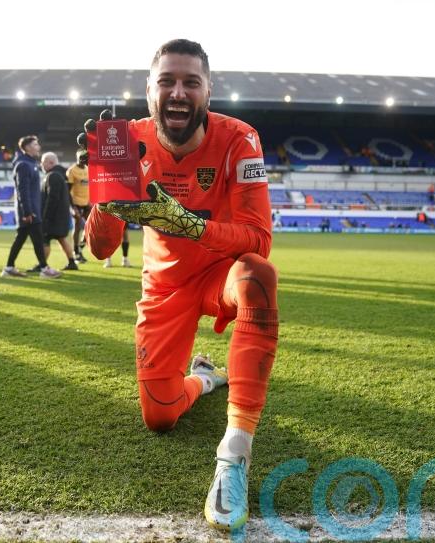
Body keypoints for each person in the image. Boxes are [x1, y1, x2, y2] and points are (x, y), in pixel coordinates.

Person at [79, 39, 278, 531]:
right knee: (160, 417)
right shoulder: (126, 140)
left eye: (191, 82)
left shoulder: (240, 139)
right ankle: (205, 378)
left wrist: (188, 224)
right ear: (149, 90)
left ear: (208, 90)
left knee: (258, 275)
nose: (178, 92)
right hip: (165, 286)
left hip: (220, 274)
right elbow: (101, 249)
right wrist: (106, 191)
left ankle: (234, 454)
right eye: (166, 81)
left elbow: (259, 239)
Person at [1, 135, 61, 278]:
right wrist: (27, 211)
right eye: (35, 145)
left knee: (22, 239)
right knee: (38, 239)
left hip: (31, 209)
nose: (38, 147)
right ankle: (44, 269)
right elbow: (22, 190)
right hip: (29, 211)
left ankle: (9, 268)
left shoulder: (30, 164)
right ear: (27, 148)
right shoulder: (23, 165)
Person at [40, 152, 79, 271]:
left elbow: (53, 197)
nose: (41, 165)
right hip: (61, 215)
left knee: (44, 238)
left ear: (51, 162)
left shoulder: (53, 175)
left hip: (53, 216)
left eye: (43, 162)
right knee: (61, 238)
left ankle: (42, 265)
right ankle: (72, 262)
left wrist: (46, 216)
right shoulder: (61, 174)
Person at [66, 151, 90, 263]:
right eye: (81, 157)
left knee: (89, 227)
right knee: (77, 227)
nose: (83, 159)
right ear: (77, 157)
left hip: (87, 203)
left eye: (85, 157)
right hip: (76, 203)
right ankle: (76, 252)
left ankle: (80, 248)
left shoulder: (88, 169)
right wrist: (72, 207)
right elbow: (67, 191)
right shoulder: (72, 170)